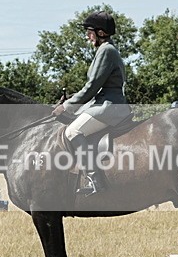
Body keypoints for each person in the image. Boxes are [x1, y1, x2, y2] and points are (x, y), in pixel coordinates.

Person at [51, 11, 130, 196]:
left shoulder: (106, 51)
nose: (87, 35)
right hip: (105, 102)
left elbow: (92, 86)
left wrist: (67, 106)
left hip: (109, 106)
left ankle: (94, 179)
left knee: (72, 131)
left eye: (89, 31)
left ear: (101, 32)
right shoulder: (107, 50)